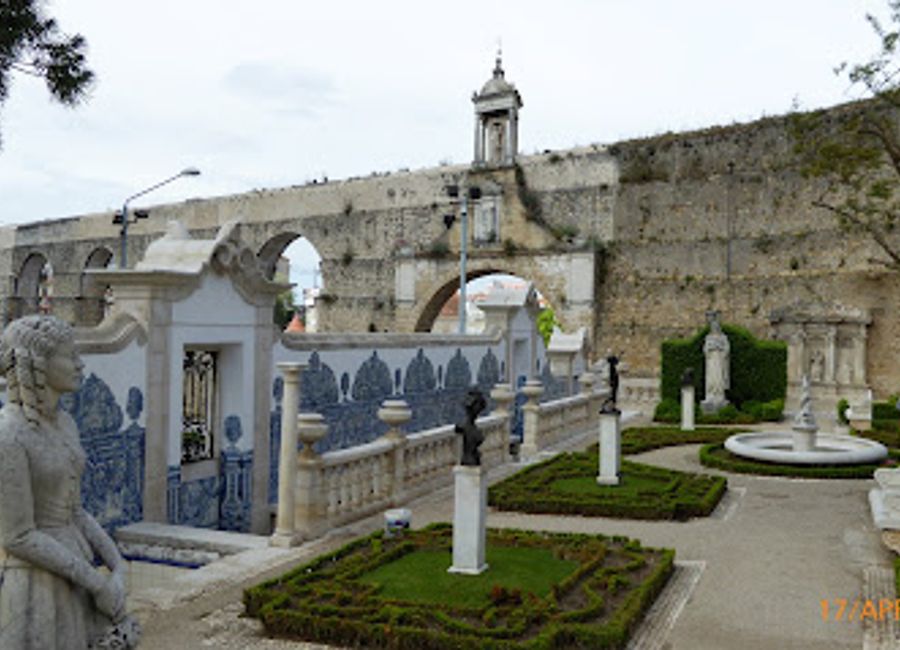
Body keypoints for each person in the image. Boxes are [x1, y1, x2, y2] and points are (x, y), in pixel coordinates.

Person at [0, 315, 138, 649]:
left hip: (76, 572)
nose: (80, 364)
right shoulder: (8, 435)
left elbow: (75, 511)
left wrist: (117, 565)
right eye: (70, 355)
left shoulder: (65, 423)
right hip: (37, 582)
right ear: (39, 364)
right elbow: (17, 535)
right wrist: (96, 583)